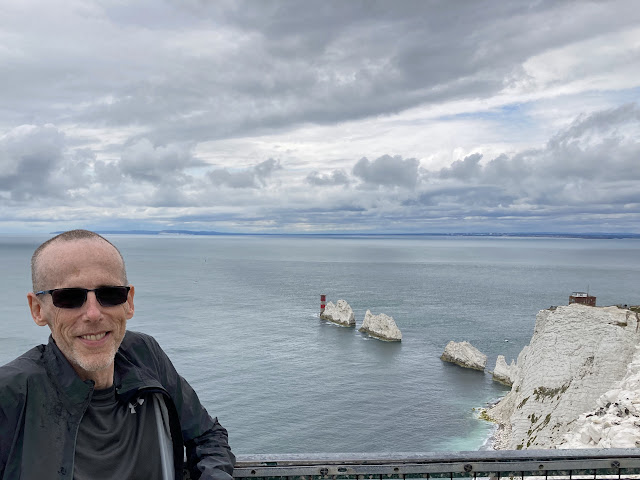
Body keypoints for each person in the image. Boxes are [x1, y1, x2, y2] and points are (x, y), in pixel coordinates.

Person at [0, 229, 235, 479]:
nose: (93, 313)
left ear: (129, 302)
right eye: (69, 297)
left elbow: (207, 435)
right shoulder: (12, 394)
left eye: (110, 294)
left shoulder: (145, 356)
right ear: (38, 309)